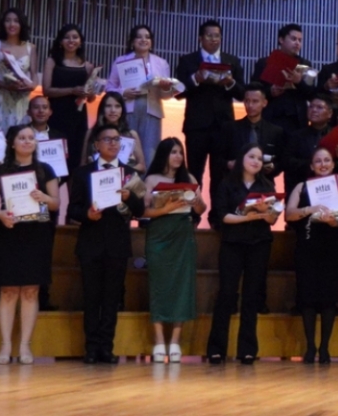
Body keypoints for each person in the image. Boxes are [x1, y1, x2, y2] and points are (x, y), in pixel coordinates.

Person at [68, 123, 146, 364]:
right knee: (91, 298)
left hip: (117, 244)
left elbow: (141, 209)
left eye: (116, 140)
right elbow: (73, 208)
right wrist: (86, 215)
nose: (113, 143)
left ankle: (106, 348)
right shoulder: (83, 173)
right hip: (91, 242)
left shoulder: (129, 173)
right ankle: (91, 348)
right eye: (108, 139)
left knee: (112, 298)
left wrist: (129, 197)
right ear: (97, 145)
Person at [0, 125, 60, 364]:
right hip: (9, 233)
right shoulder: (0, 171)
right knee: (7, 291)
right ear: (12, 143)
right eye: (22, 138)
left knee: (30, 290)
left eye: (31, 138)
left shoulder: (45, 169)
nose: (27, 141)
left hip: (37, 234)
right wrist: (1, 215)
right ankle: (6, 345)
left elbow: (56, 203)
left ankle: (25, 346)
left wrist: (44, 198)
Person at [206, 143, 278, 365]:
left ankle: (247, 349)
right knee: (227, 293)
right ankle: (216, 349)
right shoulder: (227, 183)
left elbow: (274, 219)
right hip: (232, 243)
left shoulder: (267, 185)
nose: (256, 161)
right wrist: (248, 216)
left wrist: (265, 213)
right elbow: (223, 216)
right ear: (241, 158)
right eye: (251, 156)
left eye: (259, 158)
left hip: (259, 243)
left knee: (252, 295)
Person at [285, 146, 338, 364]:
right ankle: (310, 347)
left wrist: (332, 220)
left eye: (327, 160)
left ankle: (324, 348)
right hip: (307, 247)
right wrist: (309, 209)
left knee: (329, 300)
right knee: (307, 299)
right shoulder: (301, 186)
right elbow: (289, 214)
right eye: (318, 161)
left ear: (333, 164)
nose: (323, 164)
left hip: (332, 247)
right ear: (312, 166)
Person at [143, 138, 206, 363]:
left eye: (180, 152)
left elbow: (201, 208)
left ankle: (175, 341)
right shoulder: (150, 179)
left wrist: (198, 201)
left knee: (182, 285)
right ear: (164, 155)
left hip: (182, 234)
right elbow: (144, 212)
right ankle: (159, 340)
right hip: (159, 234)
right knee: (159, 285)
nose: (177, 156)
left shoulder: (189, 178)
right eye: (173, 152)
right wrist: (167, 207)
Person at [174, 19, 245, 204]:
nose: (214, 39)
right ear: (200, 38)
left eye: (217, 36)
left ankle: (217, 218)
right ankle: (192, 216)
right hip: (197, 125)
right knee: (194, 172)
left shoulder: (232, 61)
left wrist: (230, 82)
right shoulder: (188, 60)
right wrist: (196, 78)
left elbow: (243, 94)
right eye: (209, 35)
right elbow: (178, 92)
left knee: (220, 174)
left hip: (224, 126)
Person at [106, 24, 174, 160]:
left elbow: (166, 96)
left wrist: (167, 88)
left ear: (151, 42)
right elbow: (109, 87)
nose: (144, 40)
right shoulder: (121, 61)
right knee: (125, 152)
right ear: (132, 42)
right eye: (139, 37)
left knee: (149, 153)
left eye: (147, 37)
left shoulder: (161, 63)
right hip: (127, 111)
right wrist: (123, 92)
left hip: (152, 112)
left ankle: (145, 181)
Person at [26, 96, 65, 311]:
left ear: (50, 112)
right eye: (36, 107)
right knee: (23, 247)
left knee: (44, 248)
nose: (40, 111)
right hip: (22, 200)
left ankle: (43, 297)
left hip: (47, 201)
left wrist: (51, 184)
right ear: (29, 111)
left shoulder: (58, 137)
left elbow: (65, 170)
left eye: (45, 108)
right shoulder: (20, 134)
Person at [42, 24, 97, 172]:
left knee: (76, 158)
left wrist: (89, 93)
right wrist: (72, 90)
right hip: (57, 114)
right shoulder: (52, 61)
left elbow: (91, 99)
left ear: (80, 41)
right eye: (67, 37)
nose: (71, 40)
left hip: (78, 116)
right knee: (55, 159)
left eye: (75, 37)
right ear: (60, 41)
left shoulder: (87, 66)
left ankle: (72, 195)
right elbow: (46, 90)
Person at [251, 23, 317, 135]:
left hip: (297, 120)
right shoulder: (264, 63)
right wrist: (270, 91)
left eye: (300, 40)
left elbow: (311, 94)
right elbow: (253, 89)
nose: (297, 43)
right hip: (271, 117)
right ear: (281, 39)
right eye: (293, 39)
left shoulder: (305, 64)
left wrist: (299, 82)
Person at [0, 8, 39, 132]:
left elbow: (34, 74)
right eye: (8, 21)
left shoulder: (31, 47)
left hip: (21, 97)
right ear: (3, 24)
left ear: (21, 24)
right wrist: (6, 86)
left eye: (16, 21)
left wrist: (32, 85)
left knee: (19, 133)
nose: (11, 24)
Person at [225, 84, 286, 185]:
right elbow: (218, 159)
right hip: (234, 184)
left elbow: (281, 160)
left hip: (264, 184)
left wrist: (273, 167)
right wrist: (229, 164)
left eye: (255, 101)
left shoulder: (275, 131)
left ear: (264, 103)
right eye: (247, 101)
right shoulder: (230, 128)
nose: (250, 105)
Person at [81, 92, 147, 174]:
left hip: (124, 181)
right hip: (96, 179)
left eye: (117, 106)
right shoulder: (91, 132)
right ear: (102, 109)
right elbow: (83, 163)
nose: (113, 110)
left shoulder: (131, 135)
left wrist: (122, 170)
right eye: (108, 106)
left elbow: (142, 166)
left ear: (122, 110)